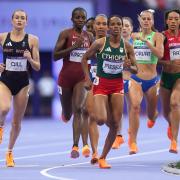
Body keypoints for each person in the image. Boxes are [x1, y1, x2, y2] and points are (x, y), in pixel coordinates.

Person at [82, 15, 137, 168]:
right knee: (100, 119)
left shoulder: (127, 46)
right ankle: (107, 123)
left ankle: (103, 158)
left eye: (118, 24)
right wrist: (87, 79)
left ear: (121, 26)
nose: (116, 27)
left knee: (115, 123)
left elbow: (135, 69)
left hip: (117, 85)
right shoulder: (100, 43)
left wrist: (128, 67)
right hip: (101, 84)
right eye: (112, 24)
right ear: (108, 27)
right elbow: (84, 59)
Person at [0, 9, 40, 167]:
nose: (19, 20)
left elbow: (37, 67)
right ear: (12, 20)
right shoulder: (3, 37)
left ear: (26, 22)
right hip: (5, 80)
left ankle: (9, 152)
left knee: (17, 122)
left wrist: (30, 58)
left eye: (22, 18)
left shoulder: (32, 40)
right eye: (17, 18)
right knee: (3, 108)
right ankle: (1, 126)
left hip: (23, 83)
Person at [53, 7, 93, 158]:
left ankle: (76, 146)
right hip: (65, 78)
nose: (80, 20)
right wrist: (74, 47)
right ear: (72, 19)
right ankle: (65, 113)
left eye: (83, 17)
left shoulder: (89, 36)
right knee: (69, 114)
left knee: (79, 108)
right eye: (77, 17)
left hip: (81, 78)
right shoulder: (65, 34)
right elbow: (55, 56)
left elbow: (97, 54)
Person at [128, 10, 164, 154]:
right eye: (144, 19)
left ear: (153, 21)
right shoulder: (133, 36)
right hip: (135, 78)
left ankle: (153, 116)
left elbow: (160, 54)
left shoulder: (157, 36)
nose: (146, 21)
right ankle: (133, 142)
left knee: (151, 114)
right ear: (140, 21)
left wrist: (146, 42)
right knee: (135, 107)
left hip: (153, 81)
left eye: (149, 19)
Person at [84, 14, 108, 164]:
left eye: (102, 24)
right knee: (92, 116)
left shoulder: (114, 41)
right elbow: (81, 59)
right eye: (96, 25)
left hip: (111, 82)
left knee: (109, 120)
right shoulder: (88, 42)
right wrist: (87, 78)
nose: (99, 27)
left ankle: (119, 135)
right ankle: (95, 152)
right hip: (94, 80)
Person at [158, 9, 180, 153]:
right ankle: (172, 125)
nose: (173, 22)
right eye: (170, 19)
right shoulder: (161, 36)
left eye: (176, 19)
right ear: (166, 21)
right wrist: (168, 63)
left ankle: (174, 141)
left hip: (179, 76)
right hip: (166, 77)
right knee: (166, 112)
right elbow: (156, 59)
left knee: (175, 103)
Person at [112, 16, 134, 149]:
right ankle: (118, 136)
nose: (124, 28)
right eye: (122, 26)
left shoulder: (135, 43)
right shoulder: (114, 43)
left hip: (132, 80)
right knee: (117, 110)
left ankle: (132, 137)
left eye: (127, 26)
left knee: (133, 108)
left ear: (131, 29)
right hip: (117, 79)